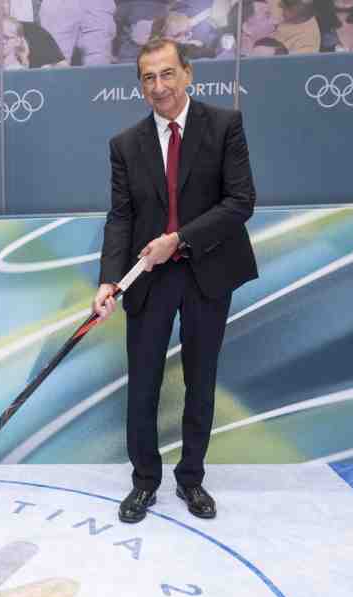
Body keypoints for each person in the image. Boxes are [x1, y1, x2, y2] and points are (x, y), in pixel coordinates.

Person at [93, 38, 257, 524]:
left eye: (167, 74)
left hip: (209, 270)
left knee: (200, 381)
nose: (159, 86)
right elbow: (120, 218)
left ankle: (192, 479)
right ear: (140, 86)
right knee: (142, 383)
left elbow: (240, 202)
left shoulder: (225, 126)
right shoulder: (124, 145)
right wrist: (108, 281)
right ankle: (144, 482)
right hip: (149, 278)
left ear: (188, 74)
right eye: (148, 77)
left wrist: (179, 239)